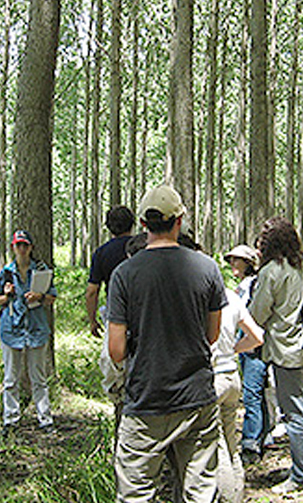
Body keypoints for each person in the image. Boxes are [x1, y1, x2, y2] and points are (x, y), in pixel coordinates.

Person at [107, 184, 227, 503]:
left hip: (146, 398)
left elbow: (116, 351)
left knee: (135, 494)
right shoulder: (208, 268)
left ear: (143, 225)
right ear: (179, 221)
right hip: (197, 398)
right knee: (200, 493)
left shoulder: (123, 275)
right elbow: (212, 335)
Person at [247, 216, 303, 495]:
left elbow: (258, 312)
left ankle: (302, 474)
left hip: (286, 349)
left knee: (294, 413)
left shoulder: (272, 271)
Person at [0, 229, 58, 433]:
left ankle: (45, 418)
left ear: (31, 247)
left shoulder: (41, 269)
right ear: (13, 247)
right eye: (18, 245)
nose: (21, 249)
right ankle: (10, 419)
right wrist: (7, 294)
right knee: (11, 378)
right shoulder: (6, 272)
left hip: (36, 329)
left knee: (38, 377)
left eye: (25, 245)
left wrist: (39, 296)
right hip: (12, 330)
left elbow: (52, 297)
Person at [212, 265, 265, 503]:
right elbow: (257, 336)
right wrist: (233, 350)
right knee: (232, 444)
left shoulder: (200, 297)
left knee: (218, 447)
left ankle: (228, 498)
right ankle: (238, 493)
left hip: (211, 378)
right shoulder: (231, 297)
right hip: (232, 376)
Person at [223, 245, 268, 464]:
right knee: (253, 393)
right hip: (244, 345)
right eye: (231, 260)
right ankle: (260, 437)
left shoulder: (253, 284)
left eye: (237, 260)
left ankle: (251, 443)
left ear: (248, 263)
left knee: (252, 395)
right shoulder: (241, 286)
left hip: (252, 348)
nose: (233, 264)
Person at [86, 205, 135, 338]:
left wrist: (92, 321)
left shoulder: (101, 253)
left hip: (115, 312)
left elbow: (92, 291)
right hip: (142, 312)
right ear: (132, 225)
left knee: (115, 356)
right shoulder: (142, 248)